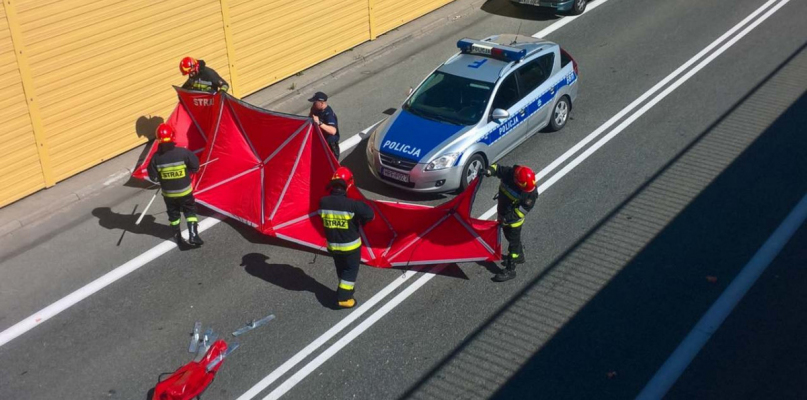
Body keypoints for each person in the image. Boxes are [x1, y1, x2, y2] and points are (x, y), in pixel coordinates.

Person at [318, 167, 374, 308]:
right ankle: (344, 297)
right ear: (348, 185)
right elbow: (370, 214)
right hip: (350, 246)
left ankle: (344, 287)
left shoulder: (323, 202)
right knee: (350, 270)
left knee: (341, 268)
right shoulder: (353, 205)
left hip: (332, 246)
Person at [147, 123, 204, 247]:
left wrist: (161, 177)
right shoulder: (183, 153)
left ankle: (178, 237)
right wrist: (187, 172)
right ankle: (193, 235)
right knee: (190, 211)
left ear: (158, 139)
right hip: (185, 192)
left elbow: (154, 177)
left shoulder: (155, 158)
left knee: (174, 215)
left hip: (168, 194)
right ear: (173, 136)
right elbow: (195, 167)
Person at [483, 164, 538, 282]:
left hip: (513, 222)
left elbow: (521, 211)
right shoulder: (510, 173)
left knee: (513, 242)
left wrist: (507, 219)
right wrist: (488, 171)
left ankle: (510, 268)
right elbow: (497, 168)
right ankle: (520, 257)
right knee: (512, 239)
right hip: (503, 212)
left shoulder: (530, 193)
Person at [308, 91, 340, 159]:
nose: (313, 104)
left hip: (330, 145)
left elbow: (333, 131)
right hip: (321, 142)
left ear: (321, 103)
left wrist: (319, 123)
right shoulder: (315, 109)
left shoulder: (329, 114)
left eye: (315, 102)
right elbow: (310, 117)